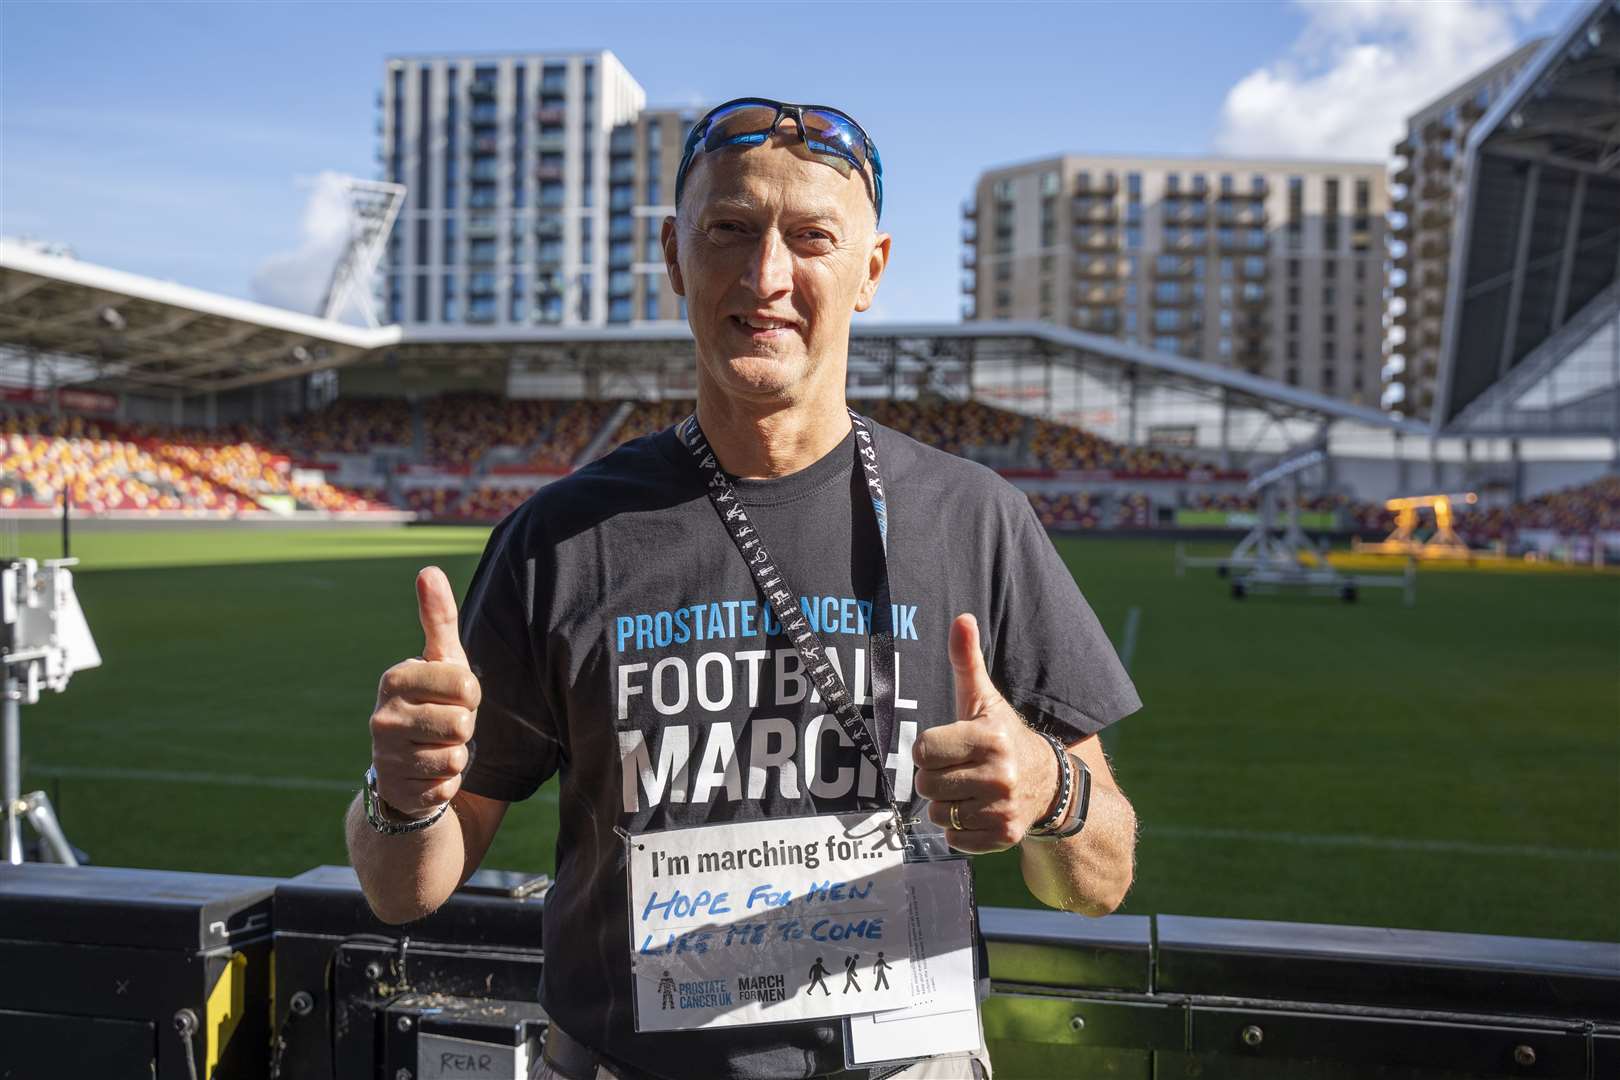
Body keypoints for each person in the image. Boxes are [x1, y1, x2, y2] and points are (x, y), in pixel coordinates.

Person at [347, 96, 1141, 1080]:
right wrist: (399, 794)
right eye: (730, 230)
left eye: (812, 237)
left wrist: (1051, 787)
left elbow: (1099, 878)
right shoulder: (560, 539)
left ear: (871, 271)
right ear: (676, 256)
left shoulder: (973, 518)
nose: (767, 276)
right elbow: (403, 889)